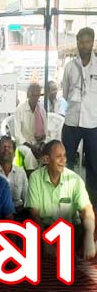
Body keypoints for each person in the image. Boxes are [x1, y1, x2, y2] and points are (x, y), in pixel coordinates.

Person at [27, 140, 96, 259]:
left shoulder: (75, 179)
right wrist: (45, 241)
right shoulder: (35, 178)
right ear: (46, 160)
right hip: (45, 230)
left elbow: (87, 209)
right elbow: (34, 213)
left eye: (64, 156)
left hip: (69, 231)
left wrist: (89, 237)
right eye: (59, 156)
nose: (63, 160)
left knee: (91, 223)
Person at [62, 27, 97, 204]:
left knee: (93, 164)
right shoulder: (70, 67)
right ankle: (66, 198)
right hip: (72, 122)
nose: (84, 45)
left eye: (87, 42)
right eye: (81, 42)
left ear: (92, 43)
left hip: (93, 123)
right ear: (77, 43)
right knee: (65, 162)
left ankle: (91, 202)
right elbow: (65, 92)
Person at [14, 83, 46, 171]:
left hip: (38, 142)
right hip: (24, 144)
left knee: (49, 149)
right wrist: (32, 147)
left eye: (37, 95)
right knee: (29, 153)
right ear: (28, 95)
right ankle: (31, 174)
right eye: (32, 95)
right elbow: (17, 135)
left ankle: (44, 174)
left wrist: (42, 144)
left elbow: (45, 131)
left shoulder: (41, 110)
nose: (35, 97)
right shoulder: (20, 110)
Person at [0, 136, 28, 215]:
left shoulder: (20, 172)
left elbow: (26, 198)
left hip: (18, 212)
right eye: (3, 147)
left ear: (14, 153)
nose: (6, 149)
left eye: (9, 147)